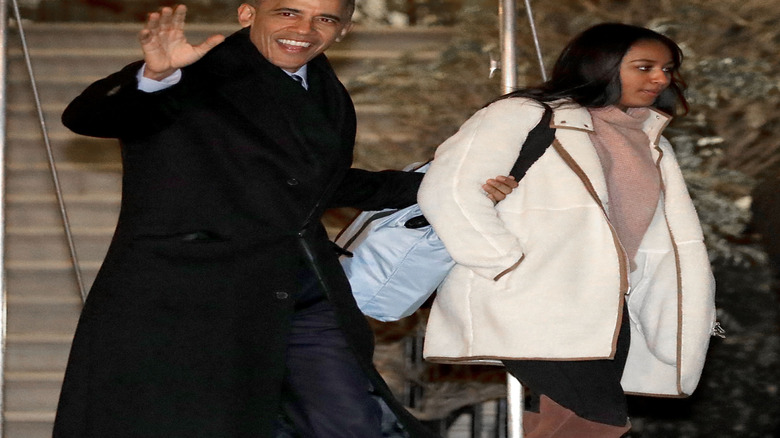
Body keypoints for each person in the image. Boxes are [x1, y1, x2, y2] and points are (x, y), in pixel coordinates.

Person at [52, 2, 517, 437]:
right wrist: (153, 75)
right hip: (191, 292)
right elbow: (87, 116)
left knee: (348, 420)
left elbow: (317, 183)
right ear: (247, 13)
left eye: (325, 19)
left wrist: (446, 188)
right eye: (288, 12)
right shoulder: (192, 71)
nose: (304, 30)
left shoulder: (323, 88)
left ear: (345, 29)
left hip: (299, 285)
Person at [417, 23, 718, 437]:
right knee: (600, 422)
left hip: (608, 309)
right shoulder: (524, 114)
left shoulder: (651, 139)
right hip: (535, 300)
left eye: (667, 69)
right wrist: (508, 265)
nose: (661, 79)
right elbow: (448, 190)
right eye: (645, 67)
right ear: (599, 64)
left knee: (562, 422)